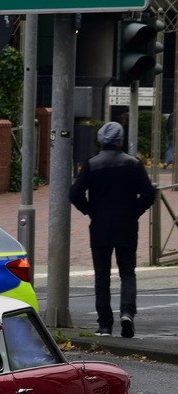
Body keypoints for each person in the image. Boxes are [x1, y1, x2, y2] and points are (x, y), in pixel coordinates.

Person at [69, 121, 156, 338]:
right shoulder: (133, 164)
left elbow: (74, 194)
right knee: (127, 272)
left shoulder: (91, 164)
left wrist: (90, 210)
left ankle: (105, 324)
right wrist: (133, 211)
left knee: (102, 275)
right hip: (126, 225)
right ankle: (127, 313)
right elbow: (148, 194)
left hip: (100, 225)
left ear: (101, 140)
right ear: (120, 140)